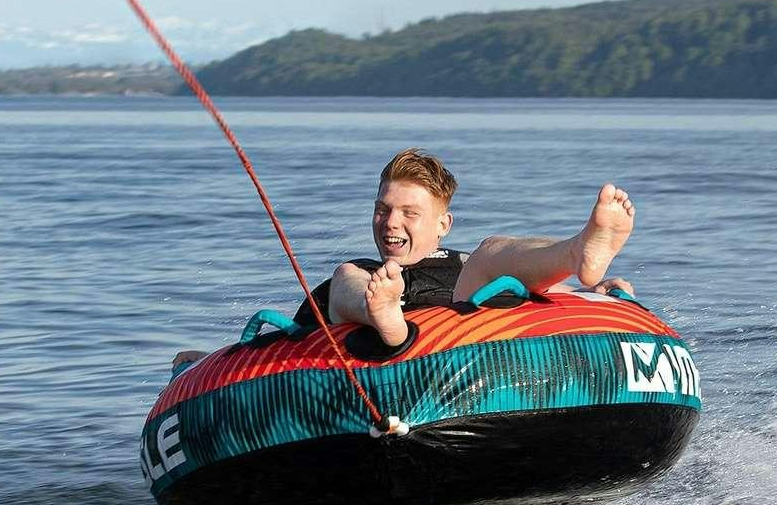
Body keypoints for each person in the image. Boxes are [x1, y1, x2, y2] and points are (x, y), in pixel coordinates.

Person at [172, 148, 635, 367]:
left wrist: (602, 299)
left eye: (409, 213)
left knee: (493, 251)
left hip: (463, 321)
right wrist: (195, 365)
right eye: (382, 210)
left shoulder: (468, 264)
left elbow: (532, 298)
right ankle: (386, 320)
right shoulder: (364, 270)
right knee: (347, 279)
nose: (390, 223)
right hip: (379, 326)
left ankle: (578, 253)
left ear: (442, 225)